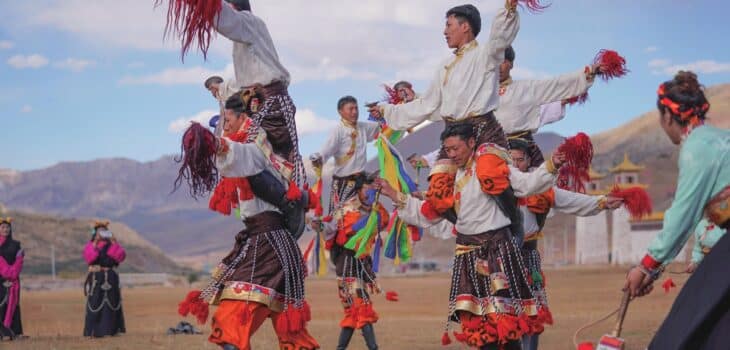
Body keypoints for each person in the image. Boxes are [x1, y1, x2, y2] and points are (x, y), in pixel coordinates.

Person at [377, 122, 565, 349]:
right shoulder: (450, 181)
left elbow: (526, 184)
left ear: (472, 143)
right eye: (448, 150)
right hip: (468, 258)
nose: (452, 154)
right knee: (480, 329)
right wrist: (393, 194)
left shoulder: (491, 168)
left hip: (499, 253)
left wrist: (551, 166)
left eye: (456, 148)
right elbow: (426, 214)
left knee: (505, 325)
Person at [175, 123, 319, 350]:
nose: (226, 124)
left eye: (229, 118)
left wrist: (213, 143)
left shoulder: (254, 152)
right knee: (287, 330)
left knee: (230, 323)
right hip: (269, 242)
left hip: (268, 244)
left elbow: (238, 153)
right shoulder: (263, 158)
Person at [621, 71, 729, 350]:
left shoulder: (698, 148)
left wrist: (647, 266)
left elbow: (683, 215)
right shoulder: (716, 140)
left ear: (668, 117)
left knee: (685, 324)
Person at [508, 138, 622, 350]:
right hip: (499, 261)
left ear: (528, 161)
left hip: (527, 258)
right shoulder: (492, 186)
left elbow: (570, 200)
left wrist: (602, 202)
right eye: (510, 160)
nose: (515, 165)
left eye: (520, 160)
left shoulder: (540, 188)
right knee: (499, 318)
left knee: (532, 317)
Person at [496, 45, 601, 166]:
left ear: (511, 64)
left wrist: (588, 72)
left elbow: (555, 85)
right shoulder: (480, 93)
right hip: (490, 151)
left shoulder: (525, 88)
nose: (498, 67)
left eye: (503, 61)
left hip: (522, 150)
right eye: (494, 61)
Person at [322, 173, 388, 350]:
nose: (372, 191)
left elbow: (384, 222)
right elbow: (332, 232)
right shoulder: (346, 209)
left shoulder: (377, 209)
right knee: (361, 307)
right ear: (359, 189)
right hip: (347, 264)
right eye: (368, 187)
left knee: (353, 313)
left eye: (374, 188)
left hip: (361, 264)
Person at [311, 96, 381, 214]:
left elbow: (381, 127)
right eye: (351, 109)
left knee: (373, 217)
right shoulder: (338, 130)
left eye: (356, 108)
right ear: (340, 112)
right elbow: (326, 150)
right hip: (343, 184)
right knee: (342, 221)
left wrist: (382, 112)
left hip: (362, 182)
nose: (355, 112)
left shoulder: (363, 127)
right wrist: (318, 158)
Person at [83, 221, 126, 337]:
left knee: (112, 301)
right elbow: (90, 258)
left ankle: (112, 330)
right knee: (96, 301)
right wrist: (95, 244)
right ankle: (94, 331)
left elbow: (120, 257)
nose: (102, 234)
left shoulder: (113, 244)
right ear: (95, 233)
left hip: (111, 277)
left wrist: (114, 243)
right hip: (97, 277)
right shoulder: (90, 245)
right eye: (100, 231)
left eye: (105, 231)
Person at [0, 217, 23, 341]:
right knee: (1, 306)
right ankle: (4, 333)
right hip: (0, 280)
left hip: (13, 281)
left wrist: (11, 275)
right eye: (3, 227)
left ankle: (15, 332)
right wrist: (4, 277)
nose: (5, 229)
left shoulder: (16, 245)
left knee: (14, 305)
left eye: (7, 227)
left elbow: (19, 262)